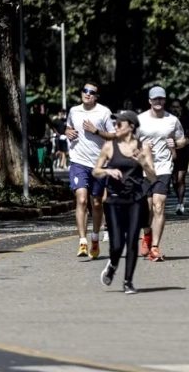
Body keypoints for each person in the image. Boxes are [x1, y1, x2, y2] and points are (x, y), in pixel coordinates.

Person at [94, 111, 157, 294]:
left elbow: (152, 177)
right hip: (114, 200)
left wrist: (143, 162)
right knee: (116, 245)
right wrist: (108, 171)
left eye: (118, 125)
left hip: (135, 199)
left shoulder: (143, 147)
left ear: (131, 126)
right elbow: (95, 171)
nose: (115, 128)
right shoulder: (109, 146)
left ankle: (128, 281)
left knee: (131, 242)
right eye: (115, 125)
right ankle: (113, 264)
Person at [65, 82, 117, 259]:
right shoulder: (74, 111)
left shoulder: (103, 112)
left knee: (96, 203)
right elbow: (69, 127)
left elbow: (113, 135)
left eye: (91, 92)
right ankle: (82, 242)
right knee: (81, 199)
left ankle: (95, 238)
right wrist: (68, 131)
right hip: (78, 161)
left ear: (96, 96)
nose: (87, 94)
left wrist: (96, 131)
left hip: (98, 164)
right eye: (84, 90)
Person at [137, 86, 187, 261]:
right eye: (155, 99)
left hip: (163, 168)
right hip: (144, 168)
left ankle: (156, 247)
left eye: (161, 99)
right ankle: (147, 234)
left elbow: (182, 140)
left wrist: (175, 143)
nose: (158, 102)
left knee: (160, 205)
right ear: (150, 101)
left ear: (164, 100)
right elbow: (129, 142)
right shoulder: (140, 120)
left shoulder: (172, 120)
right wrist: (141, 150)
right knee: (146, 209)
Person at [168, 100, 189, 215]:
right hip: (169, 152)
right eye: (173, 107)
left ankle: (180, 204)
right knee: (174, 180)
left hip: (183, 151)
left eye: (177, 107)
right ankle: (181, 197)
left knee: (180, 178)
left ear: (181, 108)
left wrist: (187, 140)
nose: (175, 109)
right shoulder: (167, 120)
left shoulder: (185, 119)